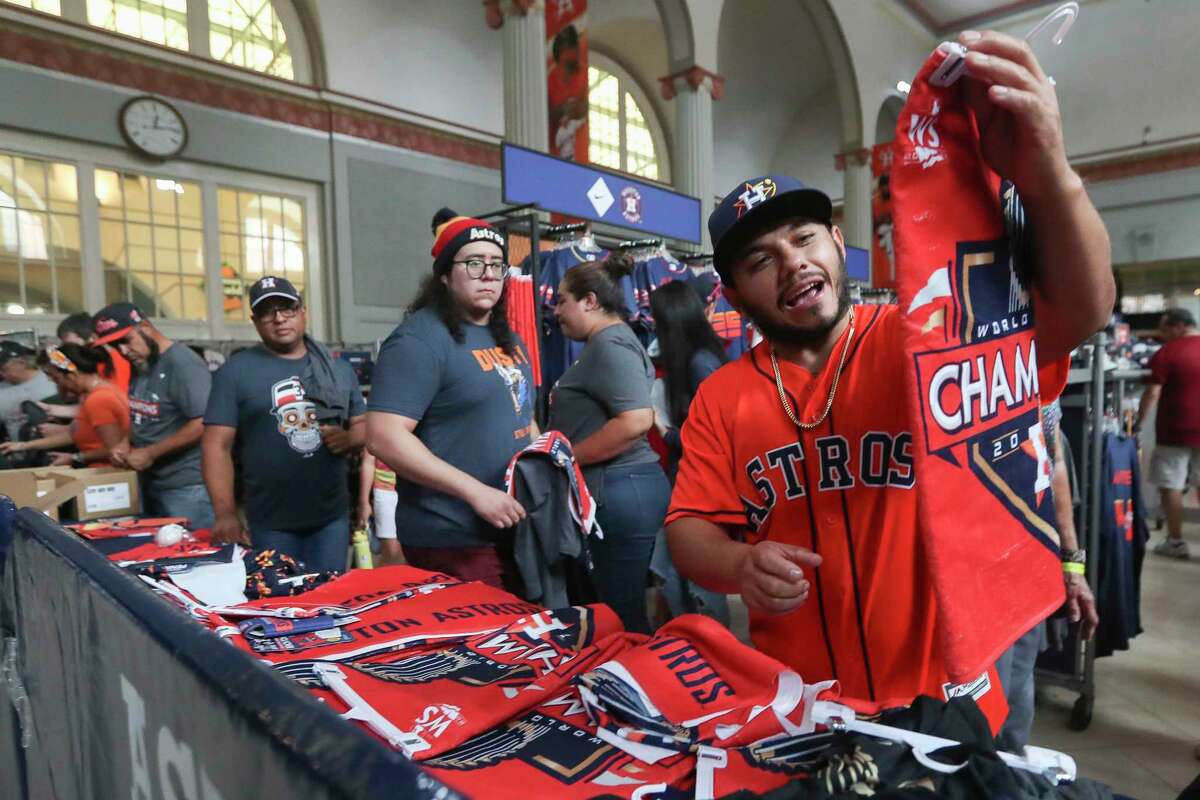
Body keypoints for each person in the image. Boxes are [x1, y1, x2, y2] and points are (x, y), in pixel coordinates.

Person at [665, 30, 1114, 713]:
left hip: (946, 696)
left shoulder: (926, 340)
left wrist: (1050, 173)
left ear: (837, 245)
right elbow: (689, 527)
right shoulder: (722, 397)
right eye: (760, 260)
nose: (792, 263)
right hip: (799, 705)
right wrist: (735, 564)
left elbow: (1080, 312)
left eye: (805, 238)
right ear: (732, 297)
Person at [366, 211, 534, 590]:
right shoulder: (419, 341)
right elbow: (383, 437)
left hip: (510, 526)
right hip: (453, 537)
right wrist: (476, 493)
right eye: (474, 263)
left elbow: (521, 413)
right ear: (444, 274)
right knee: (482, 644)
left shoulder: (507, 337)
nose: (489, 274)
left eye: (497, 265)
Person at [202, 276, 365, 573]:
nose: (279, 319)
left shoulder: (337, 369)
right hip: (270, 521)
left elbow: (366, 425)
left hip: (331, 518)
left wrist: (351, 438)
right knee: (280, 606)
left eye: (287, 308)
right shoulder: (236, 372)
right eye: (267, 312)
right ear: (255, 321)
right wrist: (224, 513)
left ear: (303, 311)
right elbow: (216, 445)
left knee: (331, 603)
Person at [549, 253, 670, 633]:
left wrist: (568, 458)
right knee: (619, 607)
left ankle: (642, 687)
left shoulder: (610, 345)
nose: (555, 311)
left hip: (621, 489)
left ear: (590, 301)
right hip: (622, 488)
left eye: (561, 300)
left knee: (620, 615)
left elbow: (636, 419)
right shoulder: (610, 342)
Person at [995, 400, 1099, 752]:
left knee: (1013, 704)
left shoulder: (1041, 387)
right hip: (963, 584)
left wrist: (1072, 566)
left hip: (1024, 574)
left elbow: (1053, 466)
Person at [647, 280, 731, 626]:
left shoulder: (699, 363)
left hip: (699, 481)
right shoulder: (699, 358)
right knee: (680, 567)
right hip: (693, 478)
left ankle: (710, 650)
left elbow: (718, 437)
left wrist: (664, 431)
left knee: (695, 572)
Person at [90, 303, 215, 528]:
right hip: (151, 481)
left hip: (186, 486)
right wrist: (124, 443)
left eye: (126, 341)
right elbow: (142, 412)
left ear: (145, 327)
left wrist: (150, 452)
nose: (123, 352)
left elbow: (204, 422)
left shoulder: (183, 364)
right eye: (115, 346)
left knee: (193, 556)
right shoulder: (142, 363)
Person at [0, 345, 130, 467]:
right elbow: (74, 435)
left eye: (57, 379)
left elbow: (115, 448)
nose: (59, 386)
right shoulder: (96, 393)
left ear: (72, 375)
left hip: (107, 471)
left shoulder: (98, 400)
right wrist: (24, 446)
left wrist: (76, 457)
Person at [1137, 308, 1199, 559]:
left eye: (1165, 330)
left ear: (1178, 326)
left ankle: (1175, 542)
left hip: (1175, 429)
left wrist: (1137, 424)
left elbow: (1152, 393)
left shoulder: (1168, 352)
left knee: (1171, 483)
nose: (1163, 336)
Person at [57, 311, 133, 395]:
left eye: (66, 337)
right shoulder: (90, 358)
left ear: (89, 336)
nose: (65, 345)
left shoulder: (108, 358)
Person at [0, 342, 56, 442]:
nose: (1, 374)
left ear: (22, 363)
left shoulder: (51, 380)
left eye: (3, 369)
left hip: (55, 447)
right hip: (19, 452)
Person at [357, 451, 404, 565]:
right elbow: (368, 461)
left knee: (407, 553)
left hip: (414, 490)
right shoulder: (376, 432)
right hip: (385, 490)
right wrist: (364, 502)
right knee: (392, 552)